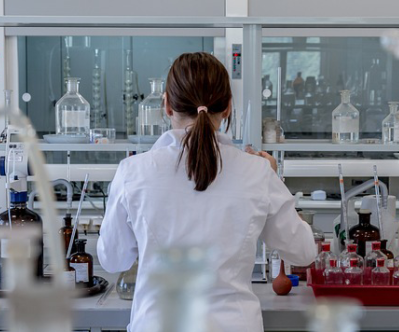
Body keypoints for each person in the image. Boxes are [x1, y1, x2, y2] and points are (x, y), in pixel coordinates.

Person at [97, 52, 317, 332]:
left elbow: (113, 259)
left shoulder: (133, 172)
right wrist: (274, 179)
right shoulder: (257, 172)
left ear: (166, 105)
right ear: (227, 107)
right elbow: (304, 252)